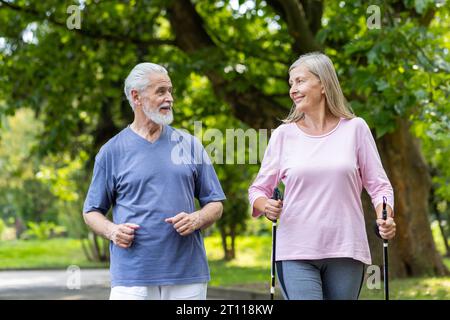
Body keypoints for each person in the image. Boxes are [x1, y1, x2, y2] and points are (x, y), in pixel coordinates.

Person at [248, 52, 396, 300]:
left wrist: (386, 216)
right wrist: (267, 206)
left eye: (300, 81)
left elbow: (379, 186)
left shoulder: (355, 128)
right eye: (291, 84)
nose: (293, 90)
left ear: (324, 85)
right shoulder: (283, 135)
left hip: (346, 249)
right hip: (295, 250)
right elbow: (258, 191)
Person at [82, 62, 226, 300]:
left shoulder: (190, 145)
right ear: (136, 97)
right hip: (132, 278)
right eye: (161, 91)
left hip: (187, 276)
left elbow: (216, 204)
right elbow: (91, 211)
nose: (169, 98)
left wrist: (197, 218)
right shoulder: (111, 151)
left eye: (170, 91)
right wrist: (112, 230)